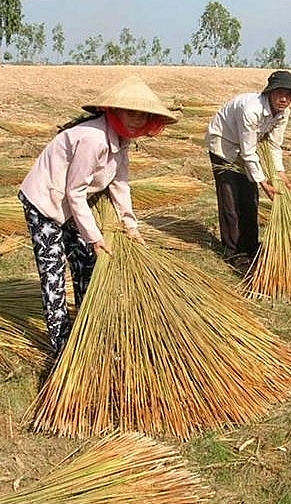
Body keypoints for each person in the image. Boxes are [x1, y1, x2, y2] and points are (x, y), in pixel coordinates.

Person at [19, 75, 178, 354]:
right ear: (113, 110)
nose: (137, 120)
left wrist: (131, 226)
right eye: (131, 112)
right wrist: (94, 236)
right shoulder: (94, 139)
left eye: (143, 115)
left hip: (70, 206)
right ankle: (63, 348)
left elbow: (120, 184)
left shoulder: (122, 140)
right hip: (45, 203)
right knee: (53, 273)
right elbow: (75, 192)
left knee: (86, 265)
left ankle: (87, 325)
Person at [206, 70, 291, 272]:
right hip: (224, 145)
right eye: (280, 93)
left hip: (246, 148)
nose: (284, 99)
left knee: (250, 200)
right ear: (270, 92)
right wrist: (263, 182)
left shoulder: (284, 113)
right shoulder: (251, 109)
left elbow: (274, 145)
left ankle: (251, 246)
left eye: (289, 95)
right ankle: (234, 252)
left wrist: (280, 174)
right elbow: (249, 151)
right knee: (230, 200)